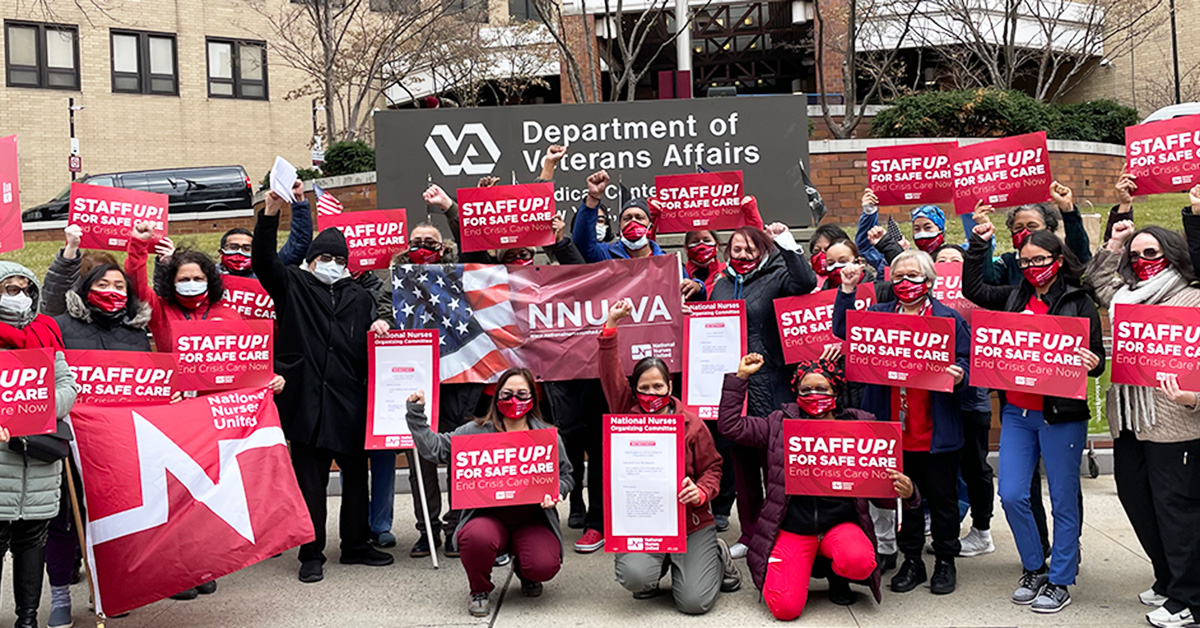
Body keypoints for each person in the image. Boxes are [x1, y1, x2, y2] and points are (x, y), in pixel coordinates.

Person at [253, 181, 394, 584]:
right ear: (312, 261)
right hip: (307, 403)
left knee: (356, 477)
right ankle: (310, 551)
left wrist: (380, 325)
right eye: (325, 257)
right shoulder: (292, 286)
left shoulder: (360, 297)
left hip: (350, 401)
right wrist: (271, 212)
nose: (331, 263)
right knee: (310, 483)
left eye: (338, 258)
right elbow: (263, 261)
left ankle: (356, 544)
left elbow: (370, 340)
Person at [963, 224, 1104, 614]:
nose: (1032, 267)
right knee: (1010, 494)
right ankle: (1033, 567)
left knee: (1062, 500)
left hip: (1061, 416)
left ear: (1057, 261)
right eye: (1025, 261)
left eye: (1040, 260)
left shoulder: (1079, 301)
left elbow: (1096, 360)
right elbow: (973, 289)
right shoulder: (1012, 298)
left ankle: (1060, 579)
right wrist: (978, 243)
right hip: (1017, 413)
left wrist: (1091, 363)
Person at [718, 352, 920, 620]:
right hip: (793, 527)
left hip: (840, 526)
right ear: (796, 392)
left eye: (821, 388)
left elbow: (882, 492)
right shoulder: (778, 424)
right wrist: (740, 378)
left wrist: (909, 493)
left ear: (835, 390)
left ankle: (838, 575)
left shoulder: (860, 425)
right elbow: (730, 426)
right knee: (785, 609)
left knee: (859, 561)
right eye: (806, 389)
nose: (814, 394)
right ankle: (806, 562)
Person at [833, 250, 970, 596]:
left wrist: (961, 375)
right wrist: (847, 289)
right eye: (899, 277)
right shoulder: (878, 315)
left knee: (941, 500)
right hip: (891, 427)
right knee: (903, 498)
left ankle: (945, 561)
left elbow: (969, 363)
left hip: (935, 428)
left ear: (929, 280)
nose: (905, 283)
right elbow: (842, 329)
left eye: (913, 276)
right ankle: (912, 561)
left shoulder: (948, 319)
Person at [1086, 220, 1200, 628]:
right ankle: (1168, 578)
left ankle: (1190, 599)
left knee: (1176, 512)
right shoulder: (1125, 296)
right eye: (1135, 255)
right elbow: (1096, 278)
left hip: (1177, 422)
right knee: (1139, 501)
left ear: (1172, 253)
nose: (1141, 261)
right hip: (1131, 420)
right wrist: (1116, 241)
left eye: (1150, 253)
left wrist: (1193, 398)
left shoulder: (1192, 300)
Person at [600, 299, 738, 614]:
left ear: (670, 385)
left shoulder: (691, 421)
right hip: (644, 522)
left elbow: (714, 468)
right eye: (644, 388)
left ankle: (714, 556)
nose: (651, 394)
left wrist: (701, 491)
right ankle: (656, 568)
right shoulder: (625, 413)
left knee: (693, 603)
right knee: (635, 579)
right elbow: (609, 372)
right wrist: (610, 326)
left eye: (658, 386)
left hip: (689, 521)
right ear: (634, 390)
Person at [404, 368, 573, 617]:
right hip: (487, 519)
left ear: (532, 399)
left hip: (532, 519)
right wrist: (416, 416)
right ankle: (479, 590)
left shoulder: (546, 436)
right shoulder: (474, 432)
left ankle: (526, 572)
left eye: (521, 394)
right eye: (506, 394)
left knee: (543, 565)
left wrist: (557, 490)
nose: (513, 400)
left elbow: (566, 475)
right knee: (475, 538)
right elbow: (436, 449)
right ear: (496, 398)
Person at [710, 224, 818, 559]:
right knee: (742, 467)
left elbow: (806, 282)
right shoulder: (721, 284)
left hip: (773, 386)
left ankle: (785, 530)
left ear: (763, 250)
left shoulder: (778, 276)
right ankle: (750, 532)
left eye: (749, 249)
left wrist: (786, 241)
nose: (742, 255)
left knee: (777, 466)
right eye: (736, 249)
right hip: (736, 387)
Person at [0, 262, 77, 628]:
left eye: (25, 289)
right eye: (8, 288)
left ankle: (26, 620)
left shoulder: (46, 332)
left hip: (41, 462)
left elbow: (67, 386)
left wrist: (34, 410)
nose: (19, 296)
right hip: (2, 464)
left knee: (32, 544)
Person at [932, 244, 997, 558]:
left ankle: (982, 530)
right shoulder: (925, 305)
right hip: (938, 403)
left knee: (975, 468)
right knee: (941, 468)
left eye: (954, 261)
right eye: (941, 261)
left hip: (972, 400)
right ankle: (942, 523)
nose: (947, 265)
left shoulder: (979, 296)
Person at [570, 170, 706, 301]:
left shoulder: (668, 262)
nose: (633, 221)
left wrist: (699, 286)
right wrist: (593, 198)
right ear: (620, 228)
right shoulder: (605, 254)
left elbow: (691, 298)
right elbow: (582, 243)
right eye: (627, 218)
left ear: (650, 227)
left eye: (639, 218)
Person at [125, 224, 241, 353]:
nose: (191, 283)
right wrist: (138, 245)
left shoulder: (229, 313)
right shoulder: (160, 310)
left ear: (209, 281)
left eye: (198, 279)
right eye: (184, 279)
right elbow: (136, 284)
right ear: (171, 282)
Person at [974, 181, 1092, 286]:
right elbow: (987, 280)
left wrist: (1067, 210)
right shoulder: (1007, 263)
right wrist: (985, 235)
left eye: (1032, 226)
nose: (1025, 232)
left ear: (1048, 230)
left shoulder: (1061, 261)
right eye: (1018, 227)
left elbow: (1079, 256)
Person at [215, 187, 311, 277]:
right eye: (233, 247)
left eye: (247, 248)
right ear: (220, 252)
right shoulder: (208, 275)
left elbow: (298, 244)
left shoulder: (267, 272)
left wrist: (299, 201)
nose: (240, 252)